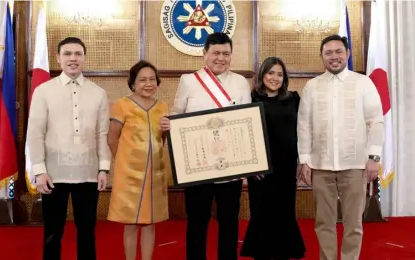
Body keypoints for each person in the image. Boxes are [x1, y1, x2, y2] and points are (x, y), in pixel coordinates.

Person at [160, 32, 251, 260]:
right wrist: (167, 122)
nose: (221, 58)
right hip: (198, 165)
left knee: (229, 221)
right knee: (197, 220)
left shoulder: (240, 82)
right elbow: (178, 114)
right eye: (216, 53)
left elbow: (247, 122)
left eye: (226, 54)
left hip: (230, 166)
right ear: (205, 54)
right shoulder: (189, 80)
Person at [297, 35, 384, 260]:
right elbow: (304, 125)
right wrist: (304, 160)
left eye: (338, 51)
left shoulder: (363, 82)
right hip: (321, 165)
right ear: (322, 57)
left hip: (355, 165)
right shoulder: (312, 86)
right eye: (328, 53)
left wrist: (374, 157)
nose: (334, 56)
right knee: (324, 222)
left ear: (347, 54)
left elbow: (375, 120)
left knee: (353, 223)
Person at [27, 37, 111, 260]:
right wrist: (39, 170)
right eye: (67, 54)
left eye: (77, 54)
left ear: (84, 58)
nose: (73, 58)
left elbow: (101, 134)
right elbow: (35, 133)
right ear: (58, 58)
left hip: (88, 173)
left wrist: (104, 168)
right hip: (54, 173)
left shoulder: (98, 93)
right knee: (53, 232)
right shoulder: (43, 91)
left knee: (87, 231)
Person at [240, 57, 306, 260]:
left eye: (279, 74)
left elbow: (303, 131)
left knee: (285, 211)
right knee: (261, 212)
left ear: (284, 78)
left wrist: (302, 161)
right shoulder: (250, 98)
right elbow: (243, 133)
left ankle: (283, 253)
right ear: (262, 75)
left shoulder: (294, 99)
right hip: (260, 168)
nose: (275, 78)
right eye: (270, 73)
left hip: (286, 166)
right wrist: (251, 165)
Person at [107, 60, 169, 260]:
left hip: (155, 174)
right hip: (129, 175)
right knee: (131, 223)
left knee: (150, 222)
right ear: (132, 83)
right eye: (142, 80)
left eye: (152, 79)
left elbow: (163, 140)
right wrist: (124, 162)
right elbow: (112, 138)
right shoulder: (122, 105)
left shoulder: (162, 107)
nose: (148, 83)